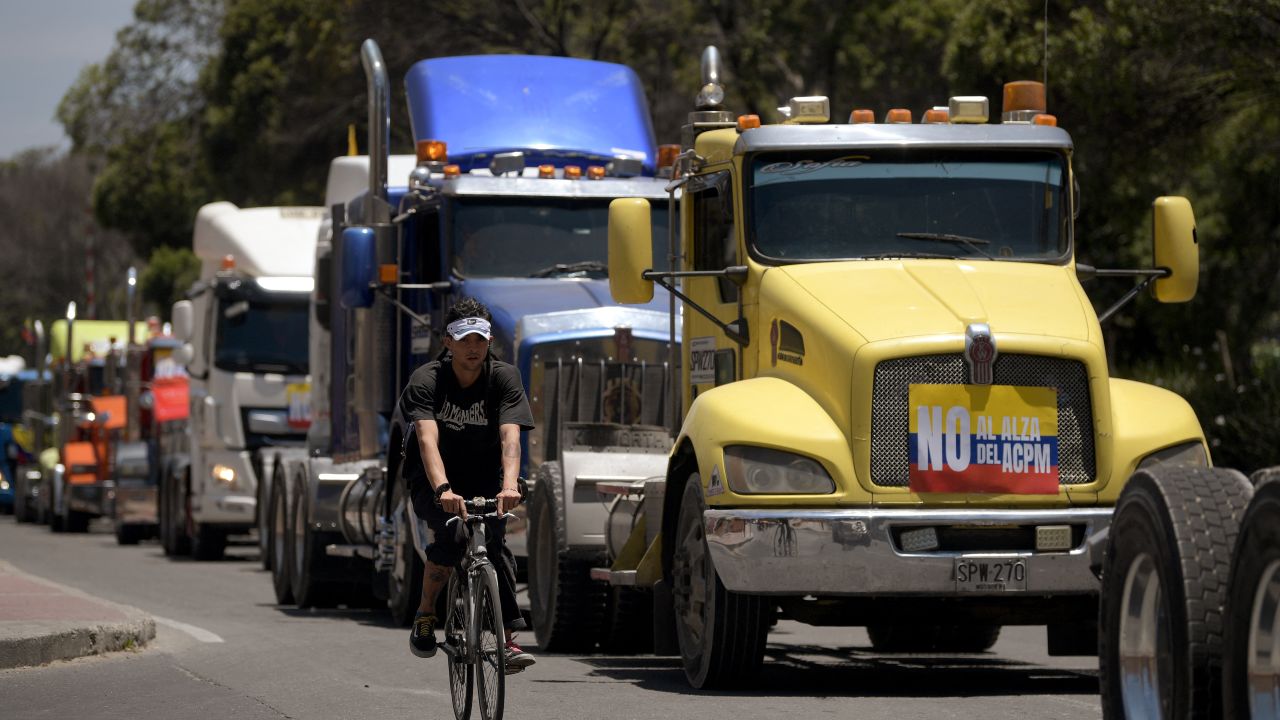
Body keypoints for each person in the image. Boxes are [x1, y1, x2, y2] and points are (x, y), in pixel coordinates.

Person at [398, 297, 536, 672]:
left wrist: (509, 486)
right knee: (454, 537)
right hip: (433, 476)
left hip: (486, 474)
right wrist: (443, 490)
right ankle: (426, 613)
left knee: (494, 541)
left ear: (490, 340)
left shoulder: (504, 377)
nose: (472, 347)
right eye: (464, 339)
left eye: (480, 339)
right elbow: (427, 440)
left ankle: (506, 639)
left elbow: (511, 438)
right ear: (448, 342)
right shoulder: (428, 379)